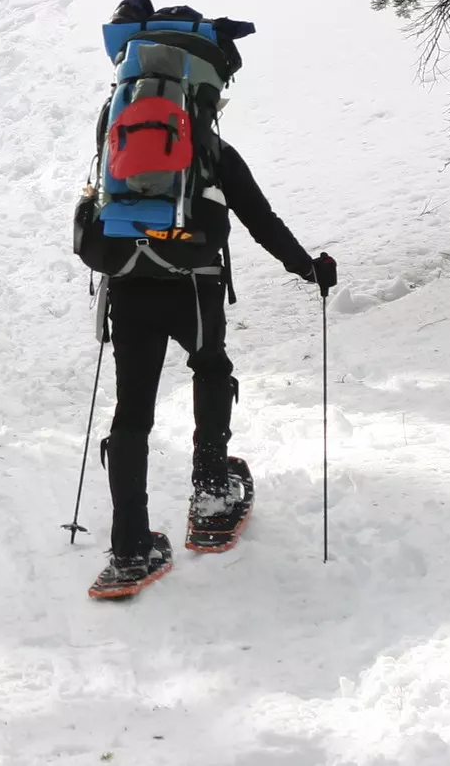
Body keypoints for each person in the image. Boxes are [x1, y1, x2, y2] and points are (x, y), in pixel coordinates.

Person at [90, 134, 333, 597]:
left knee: (132, 412)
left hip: (129, 286)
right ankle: (211, 497)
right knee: (211, 369)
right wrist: (308, 268)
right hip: (195, 287)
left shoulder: (116, 134)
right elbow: (260, 220)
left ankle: (129, 549)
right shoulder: (209, 149)